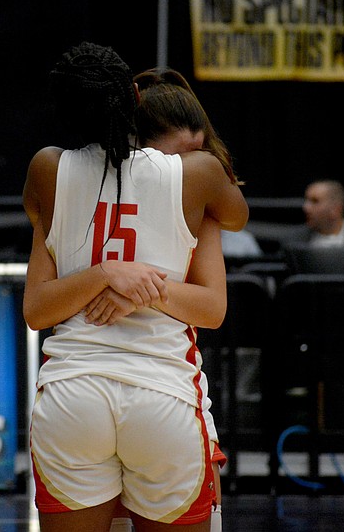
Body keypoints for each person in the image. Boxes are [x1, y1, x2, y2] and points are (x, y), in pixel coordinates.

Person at [23, 42, 248, 532]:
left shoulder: (47, 169)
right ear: (133, 95)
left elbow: (36, 312)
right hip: (161, 392)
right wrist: (128, 275)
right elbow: (236, 216)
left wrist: (106, 269)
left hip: (72, 393)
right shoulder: (197, 177)